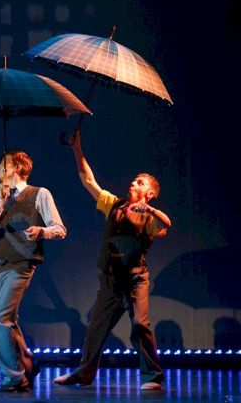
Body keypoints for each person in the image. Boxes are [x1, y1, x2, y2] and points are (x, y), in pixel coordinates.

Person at [53, 129, 171, 390]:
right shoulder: (114, 205)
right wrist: (77, 148)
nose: (134, 183)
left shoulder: (150, 217)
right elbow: (88, 180)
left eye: (141, 183)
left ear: (150, 193)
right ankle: (84, 374)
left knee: (140, 324)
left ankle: (153, 377)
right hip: (110, 279)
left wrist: (150, 209)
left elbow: (166, 224)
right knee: (95, 328)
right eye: (134, 180)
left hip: (135, 280)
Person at [0, 150, 67, 392]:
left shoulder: (39, 193)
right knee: (8, 320)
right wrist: (0, 200)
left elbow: (60, 229)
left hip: (22, 264)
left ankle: (15, 377)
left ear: (16, 167)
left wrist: (41, 231)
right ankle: (27, 362)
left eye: (2, 164)